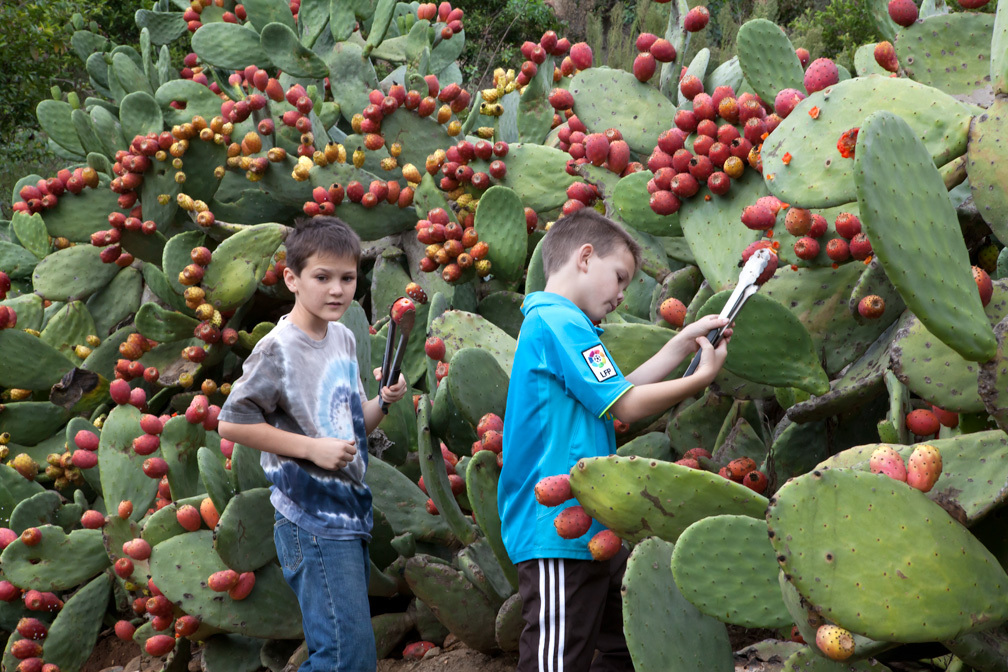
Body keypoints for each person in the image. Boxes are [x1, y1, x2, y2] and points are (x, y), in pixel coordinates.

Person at [497, 208, 732, 672]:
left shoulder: (566, 325)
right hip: (555, 529)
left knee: (630, 643)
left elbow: (616, 392)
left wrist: (681, 344)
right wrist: (698, 380)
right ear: (585, 258)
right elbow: (626, 406)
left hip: (594, 526)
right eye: (620, 277)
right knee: (554, 663)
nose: (623, 295)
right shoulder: (556, 322)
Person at [218, 217, 408, 672]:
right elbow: (231, 422)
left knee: (346, 653)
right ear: (292, 279)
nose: (337, 290)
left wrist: (383, 400)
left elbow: (350, 422)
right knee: (345, 657)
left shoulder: (342, 337)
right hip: (311, 520)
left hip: (350, 511)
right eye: (322, 277)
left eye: (347, 278)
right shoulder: (277, 349)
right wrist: (309, 449)